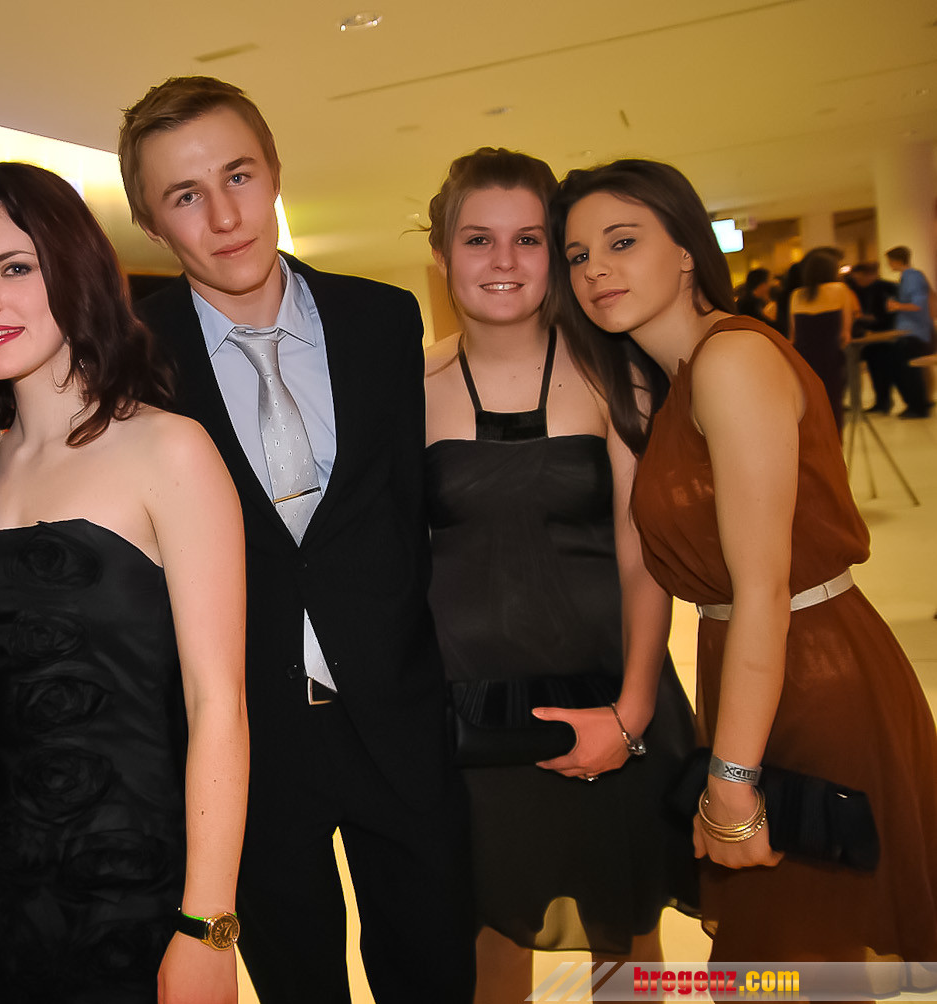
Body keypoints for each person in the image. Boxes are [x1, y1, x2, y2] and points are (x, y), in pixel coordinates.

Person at [119, 76, 475, 1004]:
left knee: (435, 971)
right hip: (247, 743)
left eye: (238, 176)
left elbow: (407, 512)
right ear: (150, 222)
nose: (224, 216)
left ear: (275, 172)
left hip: (399, 719)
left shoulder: (382, 319)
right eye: (185, 195)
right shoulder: (129, 360)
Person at [556, 157, 937, 964]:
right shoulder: (680, 378)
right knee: (788, 965)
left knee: (794, 960)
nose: (594, 270)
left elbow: (763, 589)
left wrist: (731, 778)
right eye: (578, 255)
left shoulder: (730, 361)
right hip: (758, 671)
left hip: (812, 673)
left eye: (622, 241)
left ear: (686, 250)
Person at [0, 162, 249, 1004]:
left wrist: (207, 924)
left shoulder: (169, 449)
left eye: (14, 267)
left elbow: (220, 703)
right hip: (3, 870)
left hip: (141, 875)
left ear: (75, 270)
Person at [422, 148, 697, 1004]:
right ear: (442, 252)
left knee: (629, 946)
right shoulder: (404, 388)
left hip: (611, 697)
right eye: (478, 238)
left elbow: (643, 559)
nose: (503, 261)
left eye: (529, 239)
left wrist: (632, 712)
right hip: (470, 722)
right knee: (488, 947)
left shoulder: (616, 374)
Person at [786, 248, 857, 431]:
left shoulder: (796, 295)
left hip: (804, 359)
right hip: (830, 358)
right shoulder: (840, 289)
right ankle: (834, 443)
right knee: (832, 405)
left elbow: (793, 336)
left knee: (808, 406)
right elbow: (845, 333)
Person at [884, 245, 933, 418]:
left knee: (908, 371)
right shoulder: (909, 277)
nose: (889, 265)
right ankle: (916, 404)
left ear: (896, 260)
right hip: (910, 331)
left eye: (890, 261)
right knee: (906, 370)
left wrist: (896, 305)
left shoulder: (912, 277)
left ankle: (918, 406)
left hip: (913, 332)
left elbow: (918, 304)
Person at [846, 262, 900, 413]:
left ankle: (884, 401)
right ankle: (881, 401)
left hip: (885, 334)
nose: (858, 282)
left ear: (870, 275)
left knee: (884, 369)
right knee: (875, 369)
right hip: (870, 336)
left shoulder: (886, 288)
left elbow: (887, 314)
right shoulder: (860, 290)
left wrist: (864, 318)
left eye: (860, 278)